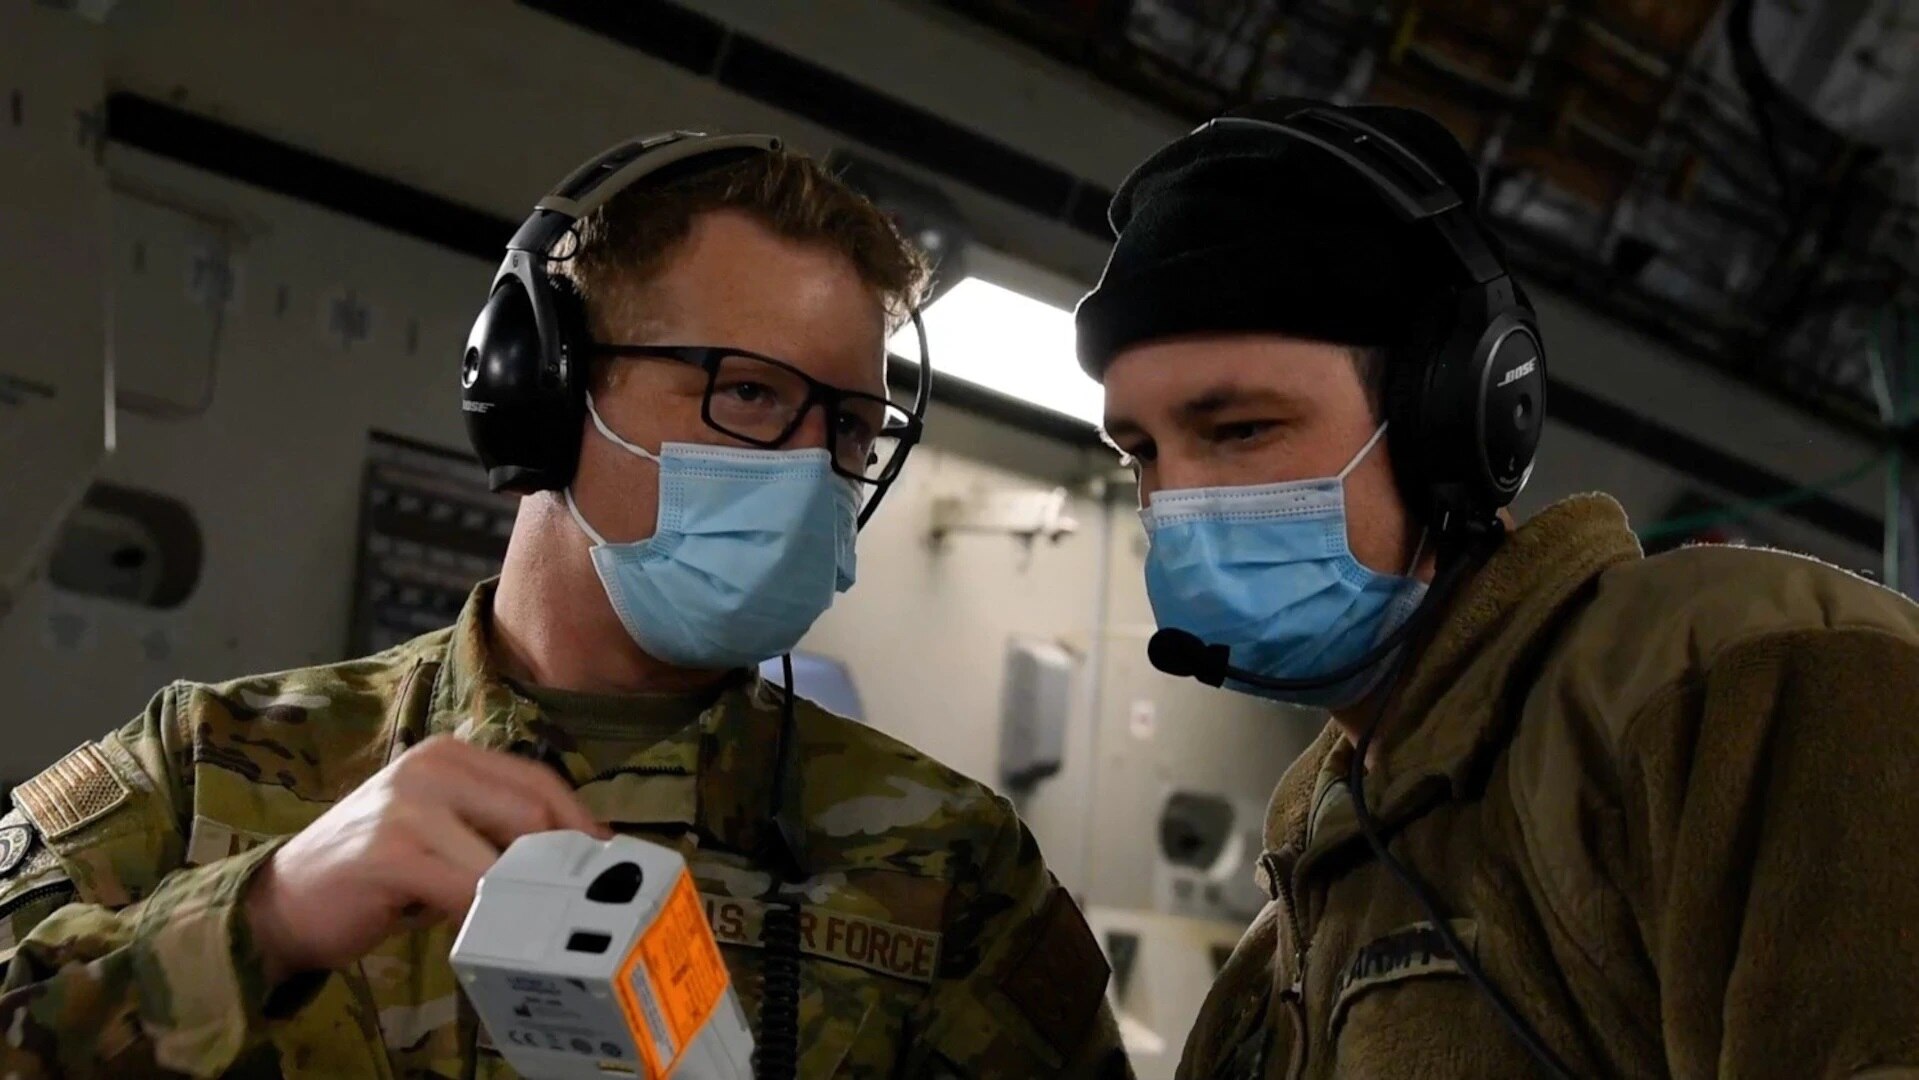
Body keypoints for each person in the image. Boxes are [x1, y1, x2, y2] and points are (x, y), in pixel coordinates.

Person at [0, 134, 1128, 1079]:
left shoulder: (952, 866)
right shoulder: (207, 767)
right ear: (538, 390)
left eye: (847, 430)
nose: (808, 473)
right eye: (747, 395)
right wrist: (266, 921)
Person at [1076, 97, 1919, 1079]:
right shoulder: (1288, 937)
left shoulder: (1737, 681)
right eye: (1139, 453)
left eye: (1240, 431)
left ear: (1457, 424)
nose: (1175, 502)